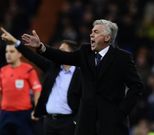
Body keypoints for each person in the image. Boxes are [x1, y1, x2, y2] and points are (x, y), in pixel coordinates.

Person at [1, 19, 144, 135]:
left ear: (107, 37)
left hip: (111, 121)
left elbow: (136, 86)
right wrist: (41, 47)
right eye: (91, 32)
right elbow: (63, 57)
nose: (91, 35)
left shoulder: (122, 58)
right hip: (86, 121)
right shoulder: (85, 52)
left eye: (96, 32)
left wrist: (122, 111)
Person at [0, 28, 82, 135]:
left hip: (68, 123)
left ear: (71, 55)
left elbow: (84, 99)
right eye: (58, 50)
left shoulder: (80, 74)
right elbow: (32, 56)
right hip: (49, 122)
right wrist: (15, 42)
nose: (58, 53)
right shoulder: (52, 67)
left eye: (62, 51)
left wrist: (76, 120)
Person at [0, 43, 42, 135]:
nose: (8, 54)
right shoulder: (2, 71)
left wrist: (37, 110)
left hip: (23, 114)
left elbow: (37, 89)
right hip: (5, 114)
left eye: (12, 51)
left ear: (19, 54)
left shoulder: (28, 69)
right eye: (6, 52)